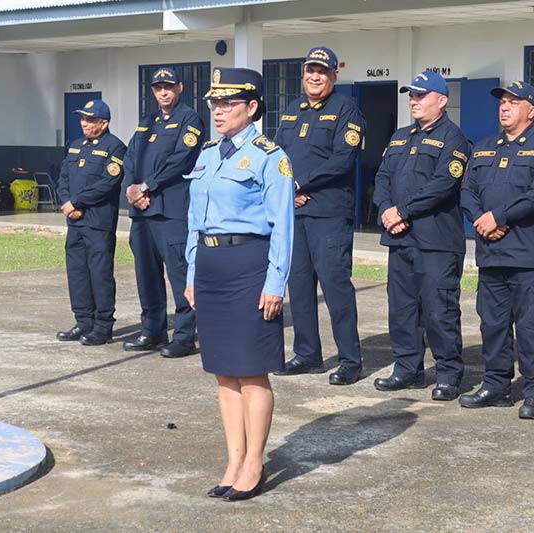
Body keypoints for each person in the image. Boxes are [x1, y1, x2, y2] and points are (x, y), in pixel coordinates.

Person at [184, 67, 294, 501]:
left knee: (251, 371)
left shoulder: (270, 156)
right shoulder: (208, 154)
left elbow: (283, 225)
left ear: (252, 107)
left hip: (249, 266)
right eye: (215, 103)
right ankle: (233, 460)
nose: (218, 111)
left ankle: (254, 463)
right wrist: (191, 275)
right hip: (210, 267)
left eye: (228, 103)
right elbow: (194, 222)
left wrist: (276, 282)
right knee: (224, 372)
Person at [459, 81, 534, 420]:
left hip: (529, 257)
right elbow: (466, 190)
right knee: (492, 325)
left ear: (531, 110)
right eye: (502, 102)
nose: (504, 107)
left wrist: (499, 217)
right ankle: (496, 385)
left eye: (513, 102)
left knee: (532, 327)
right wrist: (481, 219)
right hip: (491, 253)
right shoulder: (483, 147)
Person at [371, 71, 470, 400]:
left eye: (420, 95)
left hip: (436, 242)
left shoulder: (454, 139)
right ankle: (407, 368)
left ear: (441, 101)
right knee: (402, 309)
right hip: (400, 239)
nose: (413, 101)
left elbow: (443, 185)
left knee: (439, 310)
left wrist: (403, 211)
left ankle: (448, 374)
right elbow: (382, 178)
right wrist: (386, 210)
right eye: (411, 96)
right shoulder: (400, 137)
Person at [273, 46, 366, 386]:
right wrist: (287, 188)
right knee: (298, 286)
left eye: (322, 71)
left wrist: (301, 183)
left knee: (335, 287)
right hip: (295, 212)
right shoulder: (292, 110)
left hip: (329, 213)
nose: (315, 77)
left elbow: (343, 159)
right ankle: (307, 354)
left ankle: (350, 361)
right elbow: (277, 154)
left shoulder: (346, 110)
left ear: (334, 76)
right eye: (310, 70)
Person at [122, 67, 205, 358]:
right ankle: (152, 331)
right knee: (146, 275)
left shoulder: (189, 119)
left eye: (168, 87)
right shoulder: (147, 122)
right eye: (158, 88)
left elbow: (182, 159)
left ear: (179, 88)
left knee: (179, 274)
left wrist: (146, 186)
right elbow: (130, 157)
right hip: (142, 212)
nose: (163, 92)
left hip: (170, 211)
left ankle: (184, 337)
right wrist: (132, 191)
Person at [56, 99, 126, 346]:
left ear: (104, 123)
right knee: (77, 273)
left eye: (90, 119)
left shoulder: (115, 148)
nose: (84, 123)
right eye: (83, 119)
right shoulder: (76, 146)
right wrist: (66, 202)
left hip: (98, 222)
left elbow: (107, 183)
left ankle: (103, 327)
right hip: (74, 222)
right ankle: (83, 321)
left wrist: (77, 203)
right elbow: (63, 178)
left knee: (99, 274)